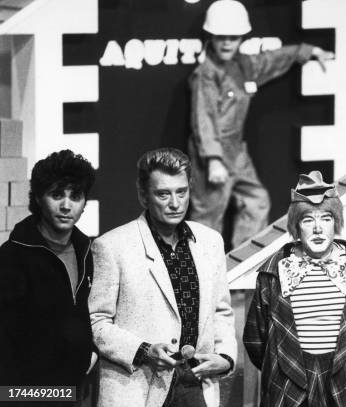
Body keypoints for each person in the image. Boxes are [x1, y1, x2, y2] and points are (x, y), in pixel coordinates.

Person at [88, 148, 236, 407]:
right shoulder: (112, 246)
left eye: (181, 192)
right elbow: (96, 322)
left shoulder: (211, 242)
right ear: (143, 195)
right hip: (137, 388)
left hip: (196, 385)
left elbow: (222, 311)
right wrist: (143, 351)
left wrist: (226, 358)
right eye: (163, 194)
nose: (175, 203)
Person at [188, 0, 334, 249]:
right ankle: (203, 274)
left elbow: (271, 59)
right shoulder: (206, 75)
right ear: (210, 36)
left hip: (237, 152)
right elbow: (203, 120)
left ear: (241, 38)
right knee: (209, 219)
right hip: (211, 156)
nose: (226, 43)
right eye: (221, 37)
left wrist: (307, 51)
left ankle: (241, 267)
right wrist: (213, 159)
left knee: (257, 202)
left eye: (233, 37)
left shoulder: (243, 66)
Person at [243, 171, 346, 406]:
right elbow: (256, 340)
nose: (317, 228)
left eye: (326, 218)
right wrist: (284, 367)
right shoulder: (274, 274)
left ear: (336, 222)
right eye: (307, 220)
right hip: (290, 384)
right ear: (296, 226)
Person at [0, 150, 97, 404]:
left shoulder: (87, 251)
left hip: (77, 392)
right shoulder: (11, 257)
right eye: (57, 195)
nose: (66, 205)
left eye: (75, 196)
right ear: (39, 199)